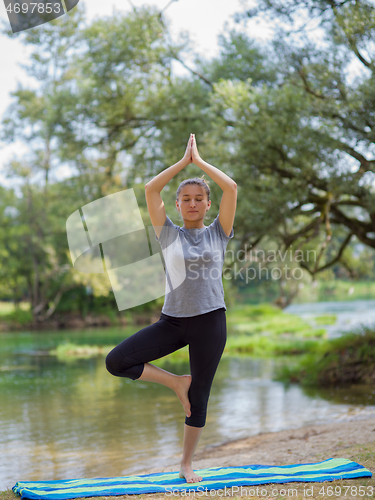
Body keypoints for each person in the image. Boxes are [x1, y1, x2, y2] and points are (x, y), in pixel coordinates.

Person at [105, 133, 237, 483]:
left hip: (210, 321)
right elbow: (150, 190)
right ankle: (175, 383)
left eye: (199, 198)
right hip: (173, 322)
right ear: (177, 205)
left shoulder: (219, 233)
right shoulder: (168, 234)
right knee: (116, 361)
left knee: (200, 397)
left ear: (208, 204)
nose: (192, 203)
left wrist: (201, 163)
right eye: (186, 199)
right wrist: (183, 162)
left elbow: (233, 188)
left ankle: (186, 463)